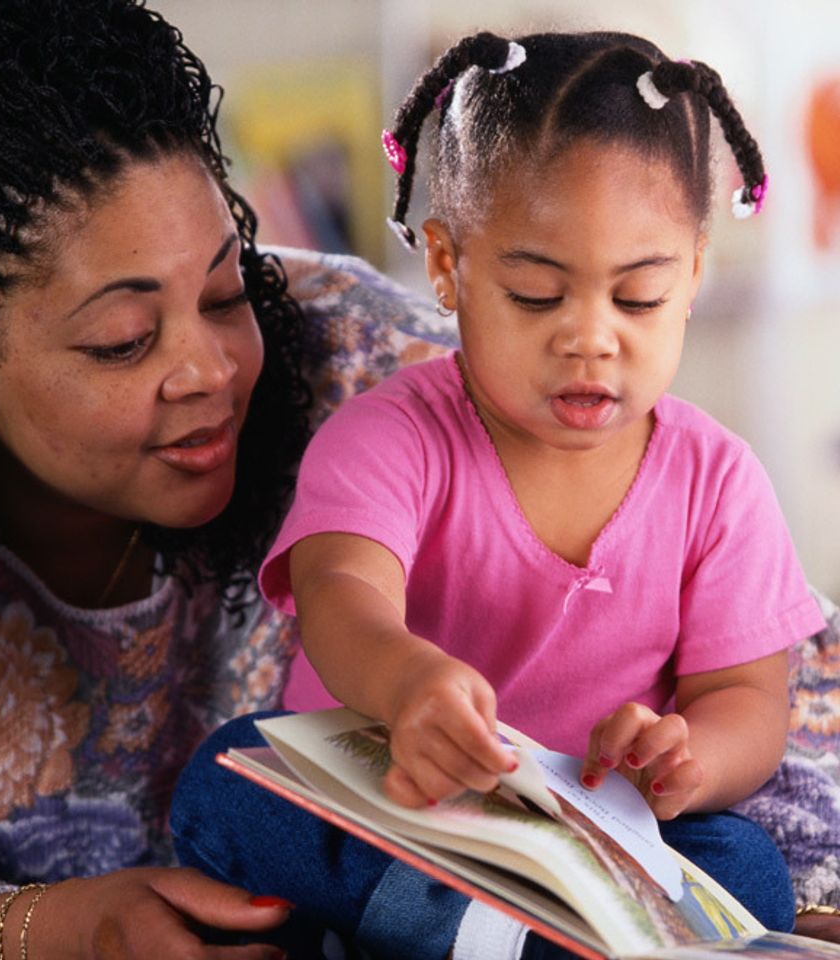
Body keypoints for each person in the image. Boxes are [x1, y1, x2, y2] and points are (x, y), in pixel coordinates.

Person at [172, 29, 829, 960]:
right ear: (448, 265)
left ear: (693, 272)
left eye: (637, 299)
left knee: (746, 867)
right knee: (227, 778)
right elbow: (339, 593)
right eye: (534, 295)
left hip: (592, 840)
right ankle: (470, 935)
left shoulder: (718, 483)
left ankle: (434, 939)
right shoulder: (392, 435)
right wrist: (406, 687)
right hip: (396, 812)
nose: (590, 339)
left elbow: (747, 699)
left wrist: (688, 757)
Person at [0, 1, 463, 958]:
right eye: (124, 340)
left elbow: (719, 579)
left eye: (227, 292)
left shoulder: (368, 365)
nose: (213, 370)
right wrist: (53, 931)